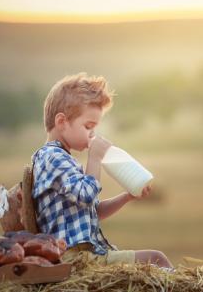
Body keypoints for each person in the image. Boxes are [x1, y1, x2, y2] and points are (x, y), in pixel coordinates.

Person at [30, 72, 173, 269]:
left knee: (154, 260)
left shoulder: (61, 160)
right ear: (62, 122)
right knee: (156, 259)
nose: (92, 135)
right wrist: (95, 158)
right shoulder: (52, 158)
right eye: (88, 126)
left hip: (87, 256)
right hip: (76, 259)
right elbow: (87, 195)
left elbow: (93, 212)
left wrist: (127, 197)